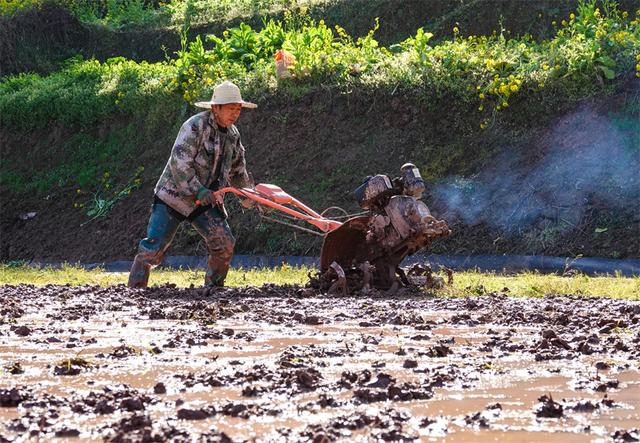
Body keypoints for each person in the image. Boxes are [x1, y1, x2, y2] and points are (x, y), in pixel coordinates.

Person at [128, 80, 256, 288]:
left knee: (224, 243)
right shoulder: (195, 126)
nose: (235, 113)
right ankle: (135, 289)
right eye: (231, 108)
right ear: (216, 107)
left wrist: (250, 198)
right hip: (174, 196)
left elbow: (238, 172)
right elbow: (180, 163)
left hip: (204, 201)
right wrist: (199, 189)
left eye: (238, 109)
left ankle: (213, 289)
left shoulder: (233, 136)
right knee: (153, 248)